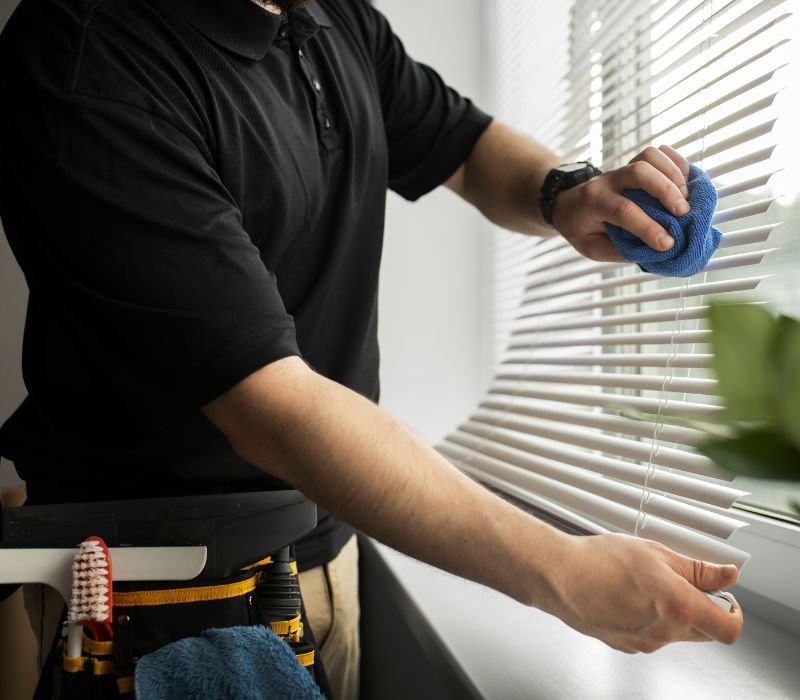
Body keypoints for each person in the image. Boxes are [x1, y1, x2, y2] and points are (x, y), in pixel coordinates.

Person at [0, 0, 743, 697]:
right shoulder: (88, 55)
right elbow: (272, 408)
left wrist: (568, 195)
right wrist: (564, 574)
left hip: (324, 559)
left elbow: (464, 147)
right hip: (146, 602)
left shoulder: (329, 15)